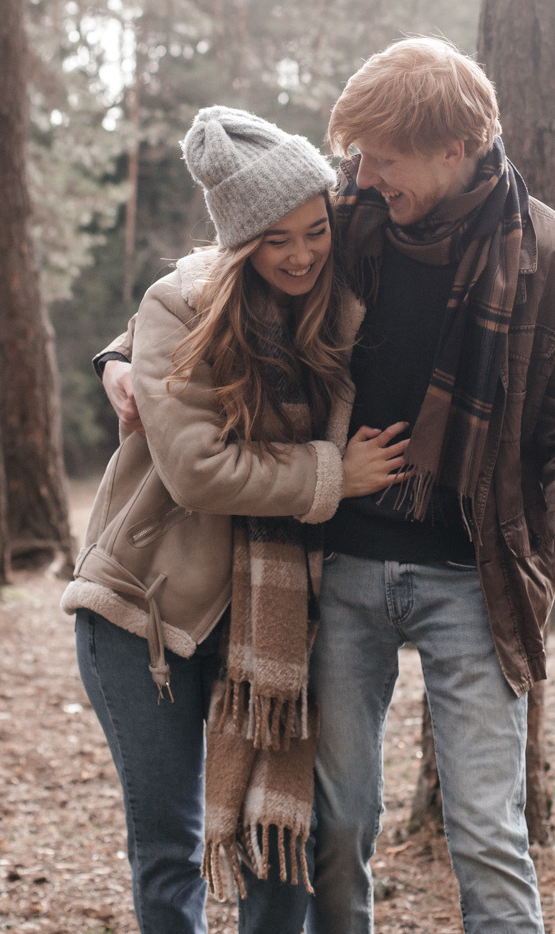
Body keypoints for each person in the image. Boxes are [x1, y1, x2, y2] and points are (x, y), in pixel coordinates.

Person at [101, 40, 555, 934]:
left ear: (452, 149)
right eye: (358, 156)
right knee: (336, 827)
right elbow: (221, 268)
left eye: (382, 157)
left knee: (488, 831)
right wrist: (123, 353)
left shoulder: (549, 255)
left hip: (477, 578)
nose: (363, 171)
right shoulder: (352, 216)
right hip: (342, 570)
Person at [65, 105, 411, 934]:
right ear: (238, 241)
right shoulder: (178, 307)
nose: (300, 254)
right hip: (146, 616)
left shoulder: (343, 305)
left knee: (279, 841)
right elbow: (196, 469)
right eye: (274, 238)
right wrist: (334, 473)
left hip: (278, 624)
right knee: (170, 848)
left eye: (313, 230)